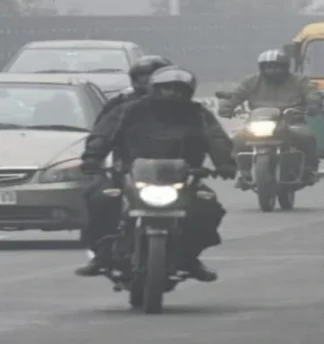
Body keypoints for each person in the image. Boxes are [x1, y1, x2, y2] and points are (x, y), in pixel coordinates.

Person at [75, 66, 237, 281]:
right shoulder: (130, 110)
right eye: (167, 88)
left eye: (179, 89)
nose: (173, 94)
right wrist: (93, 157)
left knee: (207, 207)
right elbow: (104, 133)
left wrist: (225, 163)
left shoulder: (198, 114)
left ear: (188, 92)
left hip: (183, 179)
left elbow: (216, 138)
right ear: (155, 88)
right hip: (131, 175)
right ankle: (102, 254)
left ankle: (190, 256)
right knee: (100, 199)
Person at [217, 49, 323, 185]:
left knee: (307, 137)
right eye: (268, 67)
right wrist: (226, 108)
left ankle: (309, 169)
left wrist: (313, 105)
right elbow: (236, 95)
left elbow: (312, 93)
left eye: (277, 67)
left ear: (285, 67)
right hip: (257, 121)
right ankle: (244, 172)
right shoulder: (252, 81)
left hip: (291, 121)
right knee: (238, 139)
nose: (273, 70)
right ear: (262, 68)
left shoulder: (300, 80)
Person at [95, 55, 172, 124]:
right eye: (145, 76)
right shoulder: (118, 104)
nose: (150, 79)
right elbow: (101, 130)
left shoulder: (175, 105)